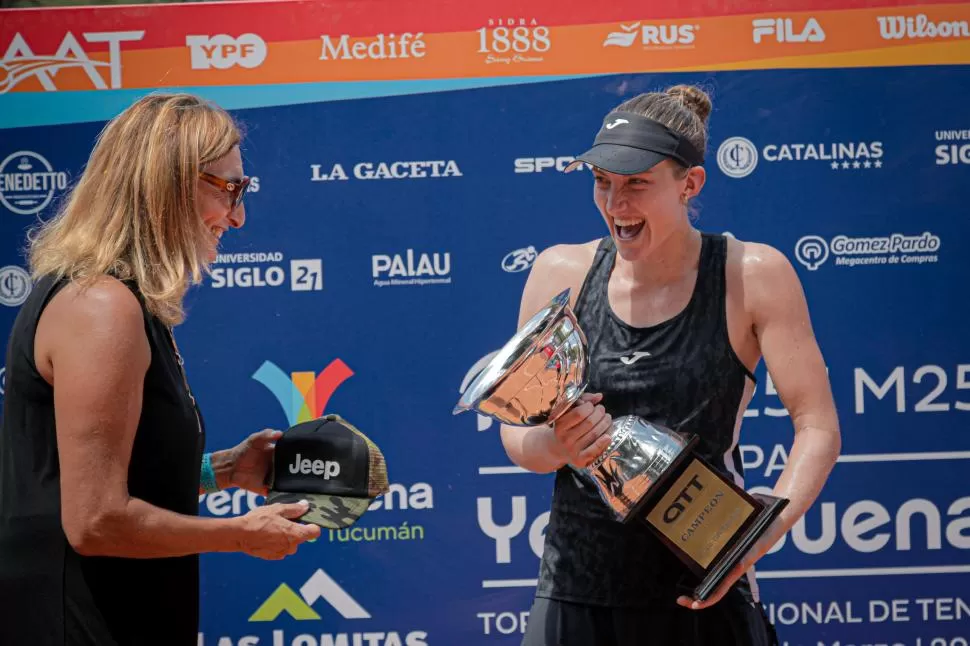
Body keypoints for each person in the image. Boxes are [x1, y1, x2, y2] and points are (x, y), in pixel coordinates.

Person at [503, 85, 842, 645]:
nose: (616, 205)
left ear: (690, 183)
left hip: (704, 587)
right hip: (574, 591)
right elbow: (518, 436)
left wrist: (768, 528)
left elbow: (817, 425)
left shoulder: (752, 274)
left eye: (636, 184)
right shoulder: (558, 272)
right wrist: (561, 444)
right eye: (602, 183)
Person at [0, 93, 321, 646]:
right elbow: (95, 520)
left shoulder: (120, 301)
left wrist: (219, 472)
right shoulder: (101, 306)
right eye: (230, 189)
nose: (239, 215)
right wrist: (240, 535)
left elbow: (112, 481)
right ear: (166, 184)